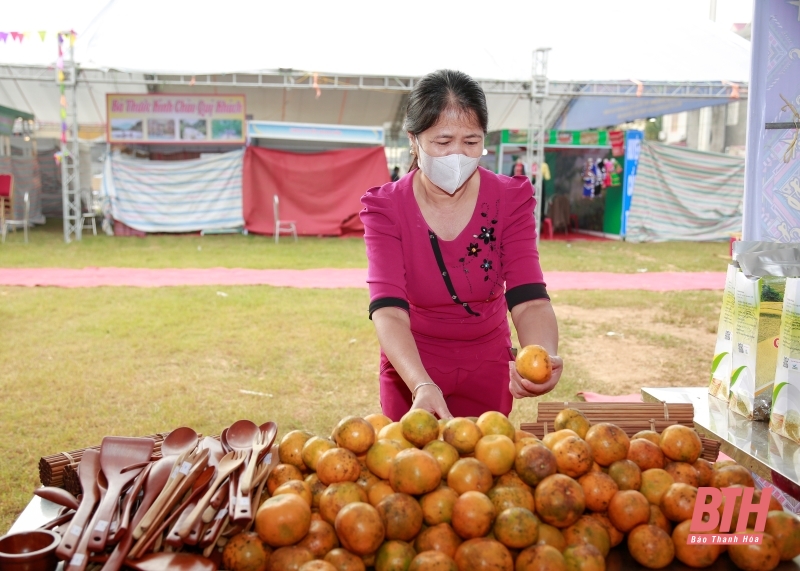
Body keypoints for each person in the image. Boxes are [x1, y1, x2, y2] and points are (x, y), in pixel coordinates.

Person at [359, 69, 562, 421]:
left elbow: (528, 299)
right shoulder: (386, 208)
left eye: (471, 142)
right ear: (414, 139)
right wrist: (421, 384)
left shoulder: (509, 199)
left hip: (486, 365)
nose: (457, 155)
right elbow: (388, 309)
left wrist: (541, 354)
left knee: (481, 468)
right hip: (412, 368)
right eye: (442, 142)